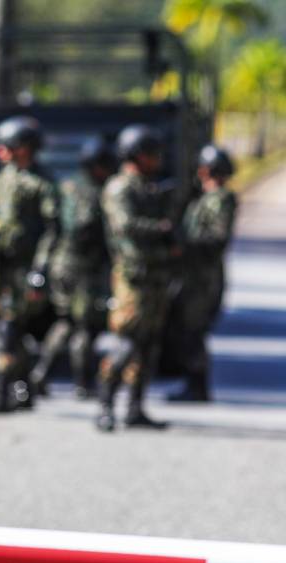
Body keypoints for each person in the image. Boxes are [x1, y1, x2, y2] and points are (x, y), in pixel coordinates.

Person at [0, 116, 60, 413]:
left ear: (24, 148)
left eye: (7, 146)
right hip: (0, 266)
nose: (1, 151)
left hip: (24, 268)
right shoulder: (2, 178)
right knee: (10, 328)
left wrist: (40, 269)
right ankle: (24, 387)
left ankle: (2, 393)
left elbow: (52, 229)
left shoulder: (41, 183)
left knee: (9, 329)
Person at [96, 124, 178, 432]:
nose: (156, 159)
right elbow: (126, 224)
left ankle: (135, 408)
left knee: (149, 345)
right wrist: (162, 228)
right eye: (150, 153)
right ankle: (105, 405)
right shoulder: (121, 188)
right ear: (135, 155)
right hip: (133, 280)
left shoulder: (150, 187)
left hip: (155, 278)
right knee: (125, 343)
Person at [29, 137, 116, 398]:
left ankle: (40, 375)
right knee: (85, 326)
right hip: (80, 268)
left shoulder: (69, 185)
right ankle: (84, 383)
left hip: (61, 264)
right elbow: (83, 227)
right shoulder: (90, 192)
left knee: (66, 321)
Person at [166, 145, 238, 402]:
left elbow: (217, 239)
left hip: (203, 278)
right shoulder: (205, 198)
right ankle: (193, 383)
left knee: (194, 331)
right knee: (187, 329)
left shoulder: (220, 199)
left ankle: (197, 386)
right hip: (193, 275)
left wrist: (183, 246)